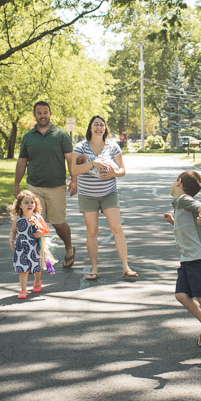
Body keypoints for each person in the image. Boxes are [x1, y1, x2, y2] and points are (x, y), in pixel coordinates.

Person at [70, 115, 136, 280]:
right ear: (90, 128)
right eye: (96, 125)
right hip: (87, 195)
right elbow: (74, 170)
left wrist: (113, 173)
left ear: (105, 128)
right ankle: (93, 269)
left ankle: (126, 267)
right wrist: (93, 163)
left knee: (117, 229)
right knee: (92, 232)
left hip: (109, 193)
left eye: (102, 125)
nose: (99, 128)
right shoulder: (80, 147)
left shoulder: (113, 147)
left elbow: (122, 170)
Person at [14, 101, 76, 268]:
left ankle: (69, 247)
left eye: (45, 112)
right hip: (34, 186)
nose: (43, 115)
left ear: (50, 114)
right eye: (39, 113)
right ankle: (39, 256)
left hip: (56, 186)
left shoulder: (61, 135)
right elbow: (21, 162)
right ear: (35, 115)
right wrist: (16, 184)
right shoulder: (28, 137)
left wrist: (74, 180)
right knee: (35, 222)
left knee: (58, 223)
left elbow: (70, 160)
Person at [162, 170, 201, 355]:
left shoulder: (183, 200)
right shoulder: (179, 205)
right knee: (181, 295)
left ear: (179, 181)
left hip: (199, 256)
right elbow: (187, 227)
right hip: (188, 257)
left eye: (173, 181)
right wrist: (173, 221)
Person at [9, 191, 47, 299]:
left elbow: (44, 230)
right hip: (21, 248)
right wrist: (11, 240)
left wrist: (40, 233)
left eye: (32, 202)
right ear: (20, 205)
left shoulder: (38, 217)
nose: (30, 205)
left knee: (37, 268)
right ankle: (23, 290)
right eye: (26, 202)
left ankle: (37, 281)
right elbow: (13, 231)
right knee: (23, 268)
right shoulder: (18, 219)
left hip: (35, 247)